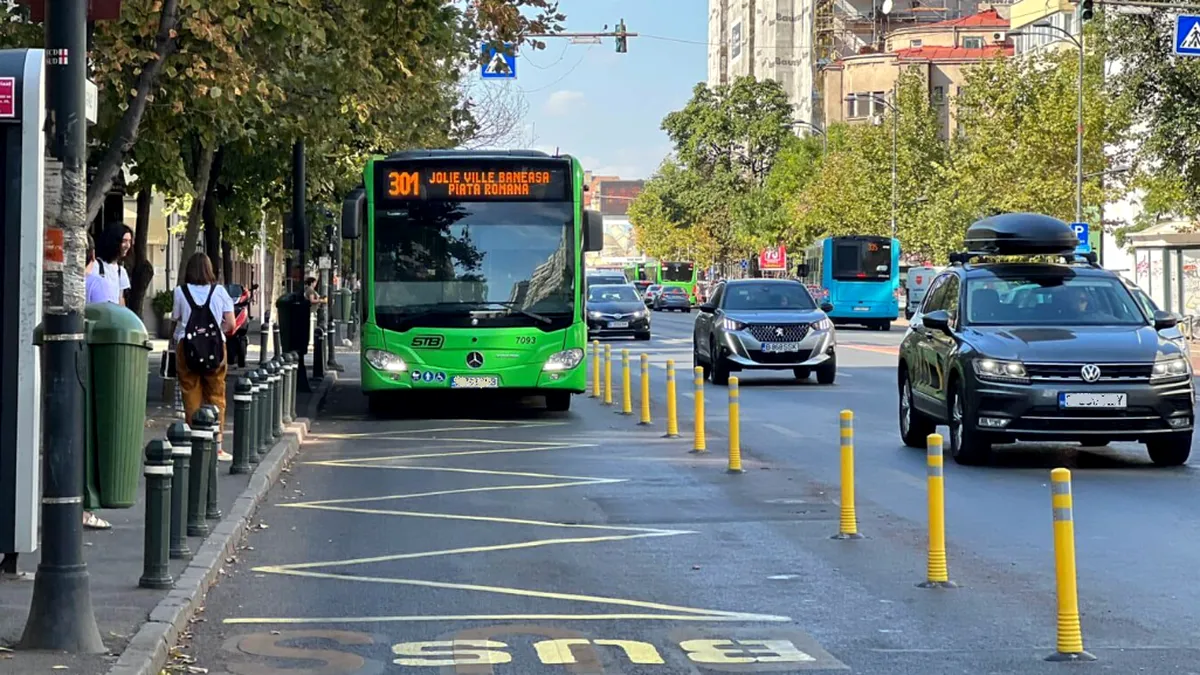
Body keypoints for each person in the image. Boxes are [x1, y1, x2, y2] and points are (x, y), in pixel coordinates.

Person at [172, 253, 236, 462]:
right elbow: (231, 324)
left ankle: (195, 441)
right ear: (210, 269)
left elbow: (177, 318)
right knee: (216, 393)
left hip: (187, 347)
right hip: (215, 349)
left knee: (191, 392)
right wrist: (218, 332)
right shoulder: (220, 292)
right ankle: (217, 445)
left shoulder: (180, 292)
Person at [82, 234, 115, 530]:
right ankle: (86, 507)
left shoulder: (56, 282)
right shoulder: (98, 283)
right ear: (93, 255)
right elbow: (110, 324)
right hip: (93, 366)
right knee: (90, 436)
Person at [91, 223, 132, 306]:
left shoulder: (121, 271)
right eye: (124, 241)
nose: (128, 245)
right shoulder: (95, 266)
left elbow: (120, 299)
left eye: (129, 241)